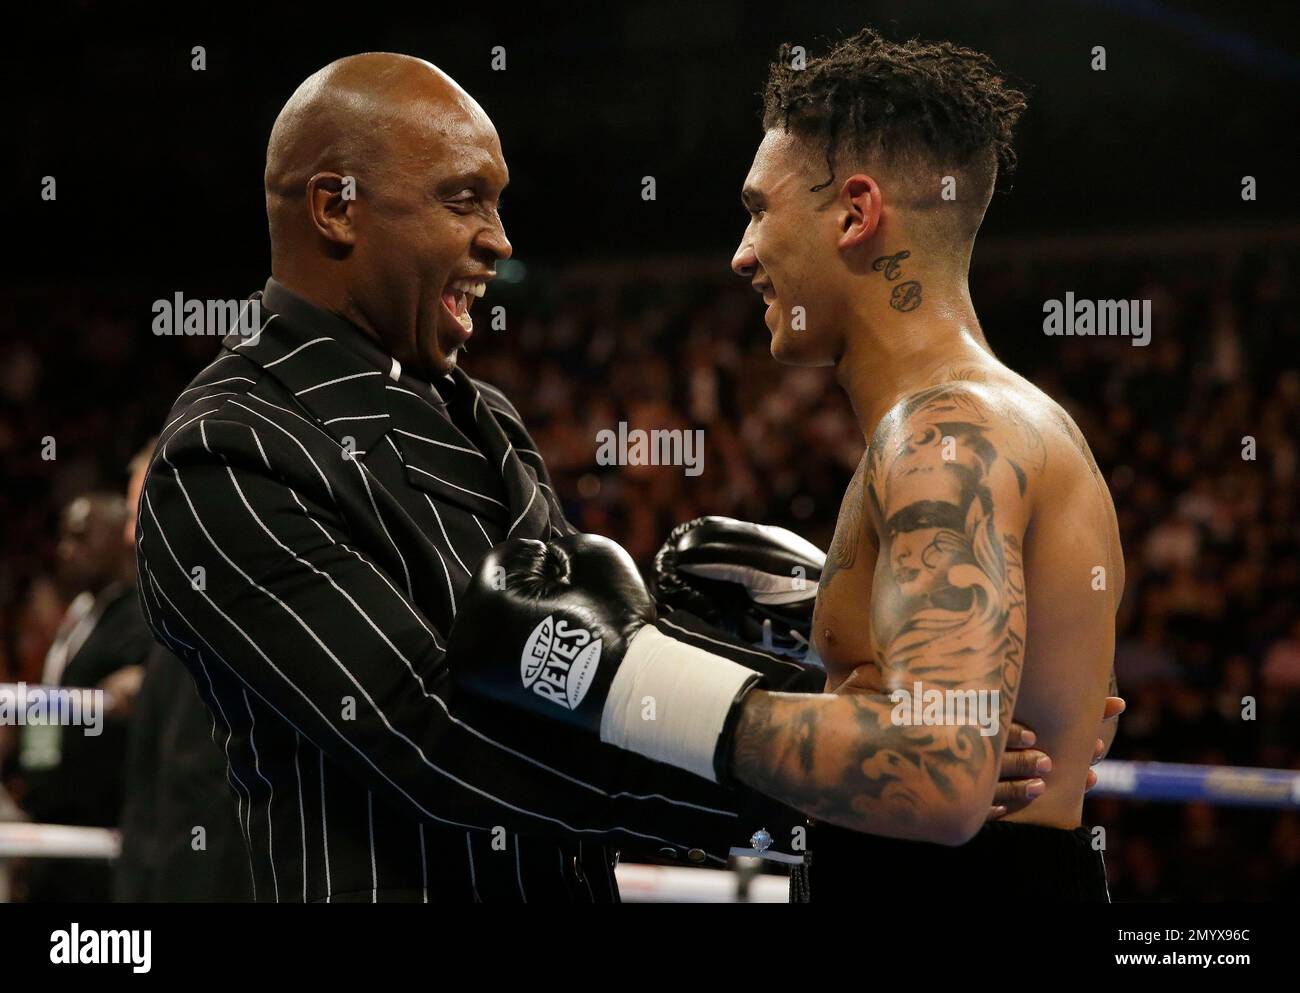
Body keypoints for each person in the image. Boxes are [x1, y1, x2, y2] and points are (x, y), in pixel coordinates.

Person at [137, 52, 1058, 903]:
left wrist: (849, 712)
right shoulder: (226, 448)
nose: (498, 240)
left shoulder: (479, 413)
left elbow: (569, 664)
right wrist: (841, 773)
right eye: (463, 200)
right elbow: (430, 734)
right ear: (336, 207)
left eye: (496, 203)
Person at [445, 30, 1123, 901]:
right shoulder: (999, 422)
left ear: (855, 212)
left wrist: (629, 676)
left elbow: (936, 775)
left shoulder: (945, 434)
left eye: (759, 209)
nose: (742, 253)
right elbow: (1035, 710)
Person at [19, 493, 154, 901]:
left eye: (81, 538)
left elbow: (132, 698)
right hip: (54, 812)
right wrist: (33, 770)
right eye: (63, 538)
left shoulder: (138, 616)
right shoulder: (81, 612)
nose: (66, 550)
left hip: (103, 820)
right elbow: (51, 702)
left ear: (121, 538)